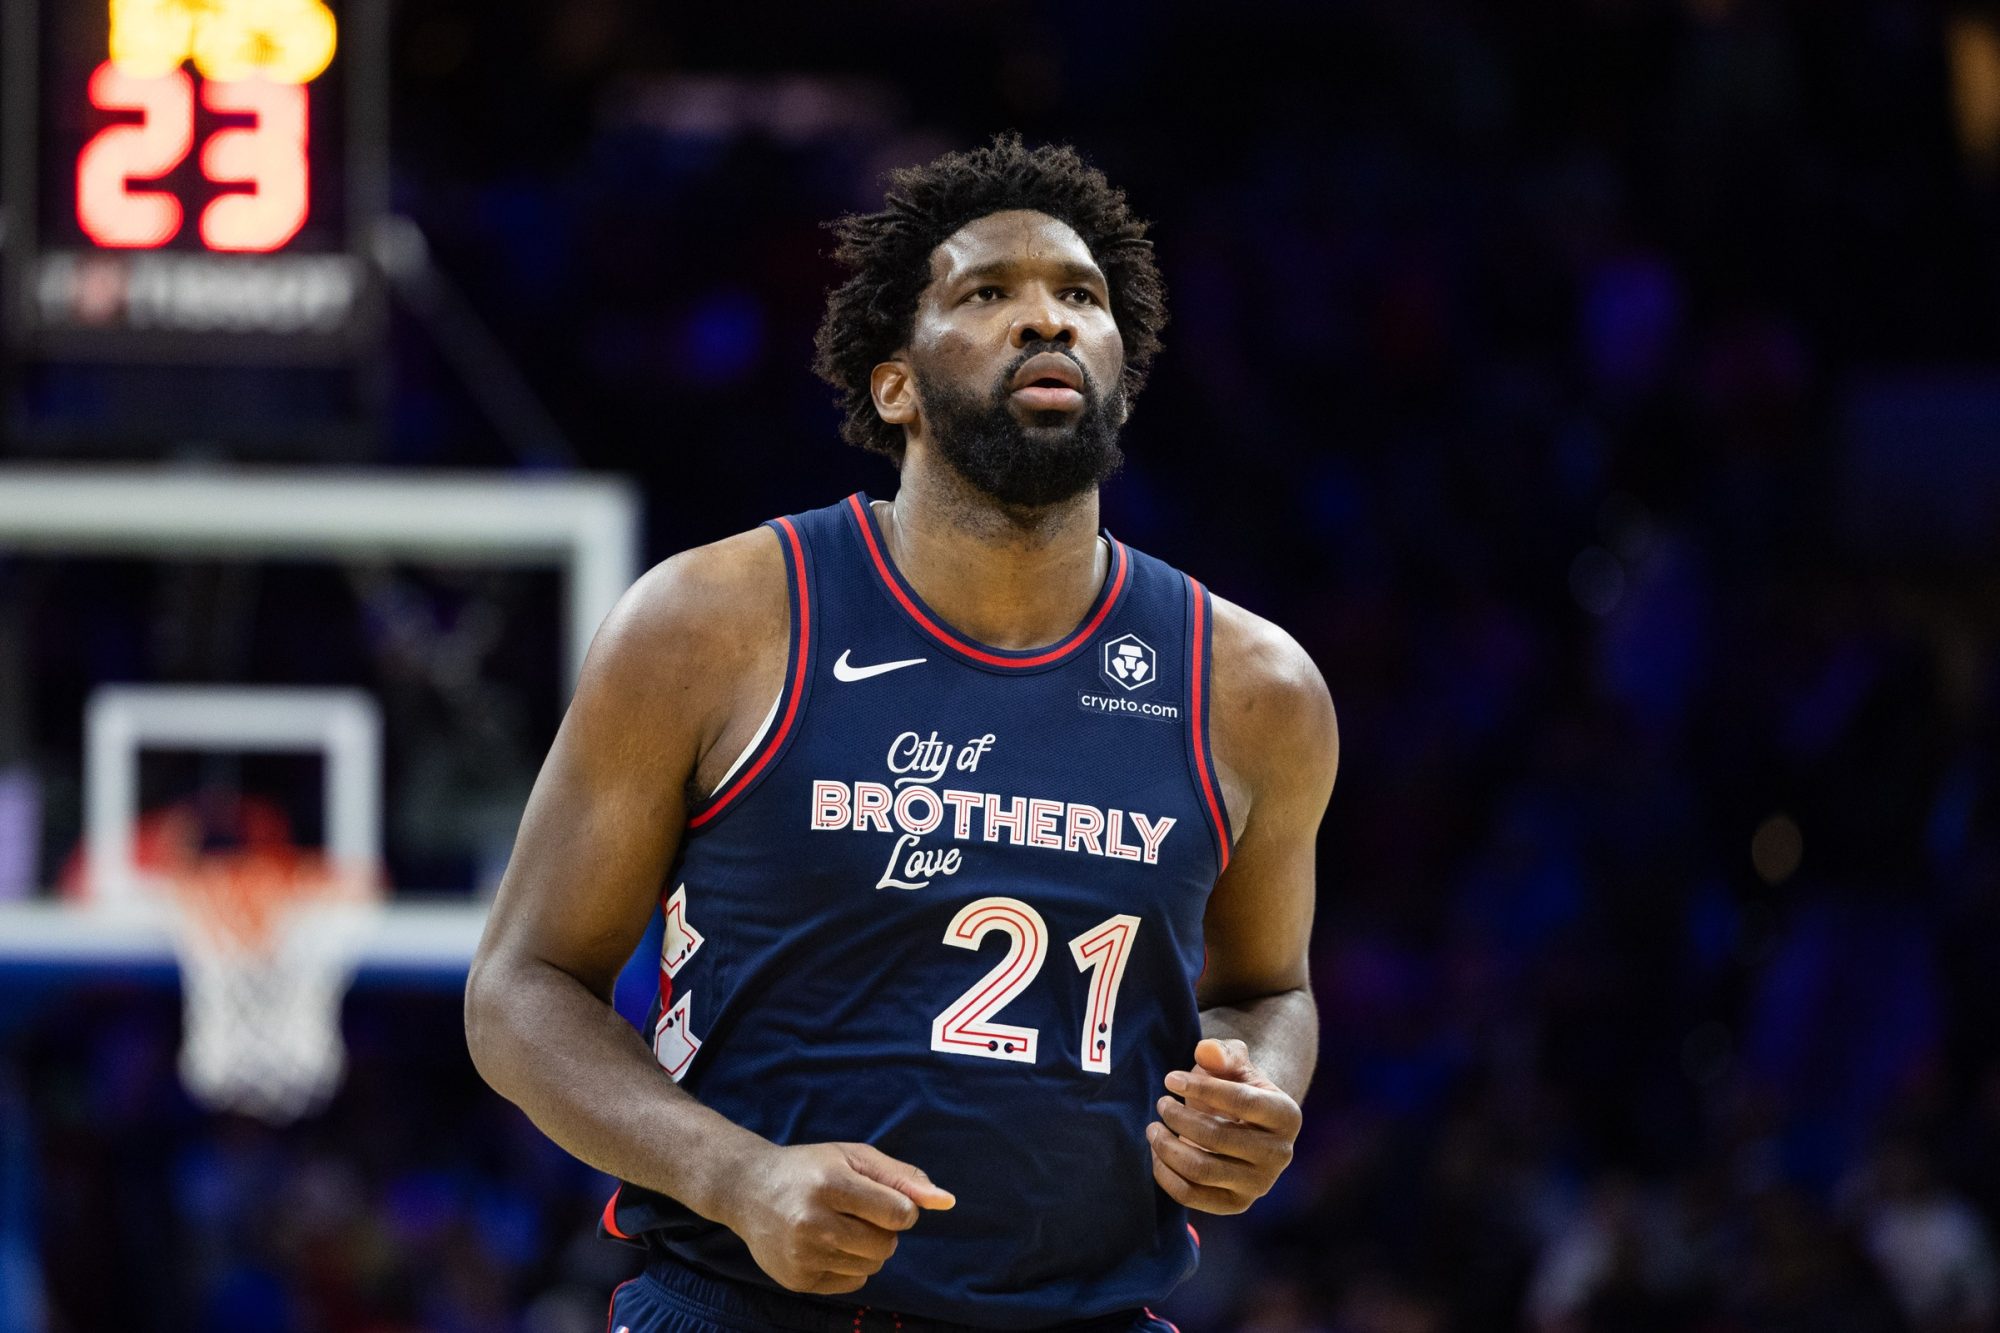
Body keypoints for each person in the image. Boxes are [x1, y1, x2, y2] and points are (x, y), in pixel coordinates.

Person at [465, 132, 1338, 1332]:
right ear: (895, 384)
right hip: (747, 1304)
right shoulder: (716, 622)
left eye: (1079, 297)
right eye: (988, 293)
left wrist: (1258, 1094)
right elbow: (519, 991)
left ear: (1121, 376)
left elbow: (1269, 989)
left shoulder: (1253, 686)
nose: (1047, 321)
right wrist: (736, 1173)